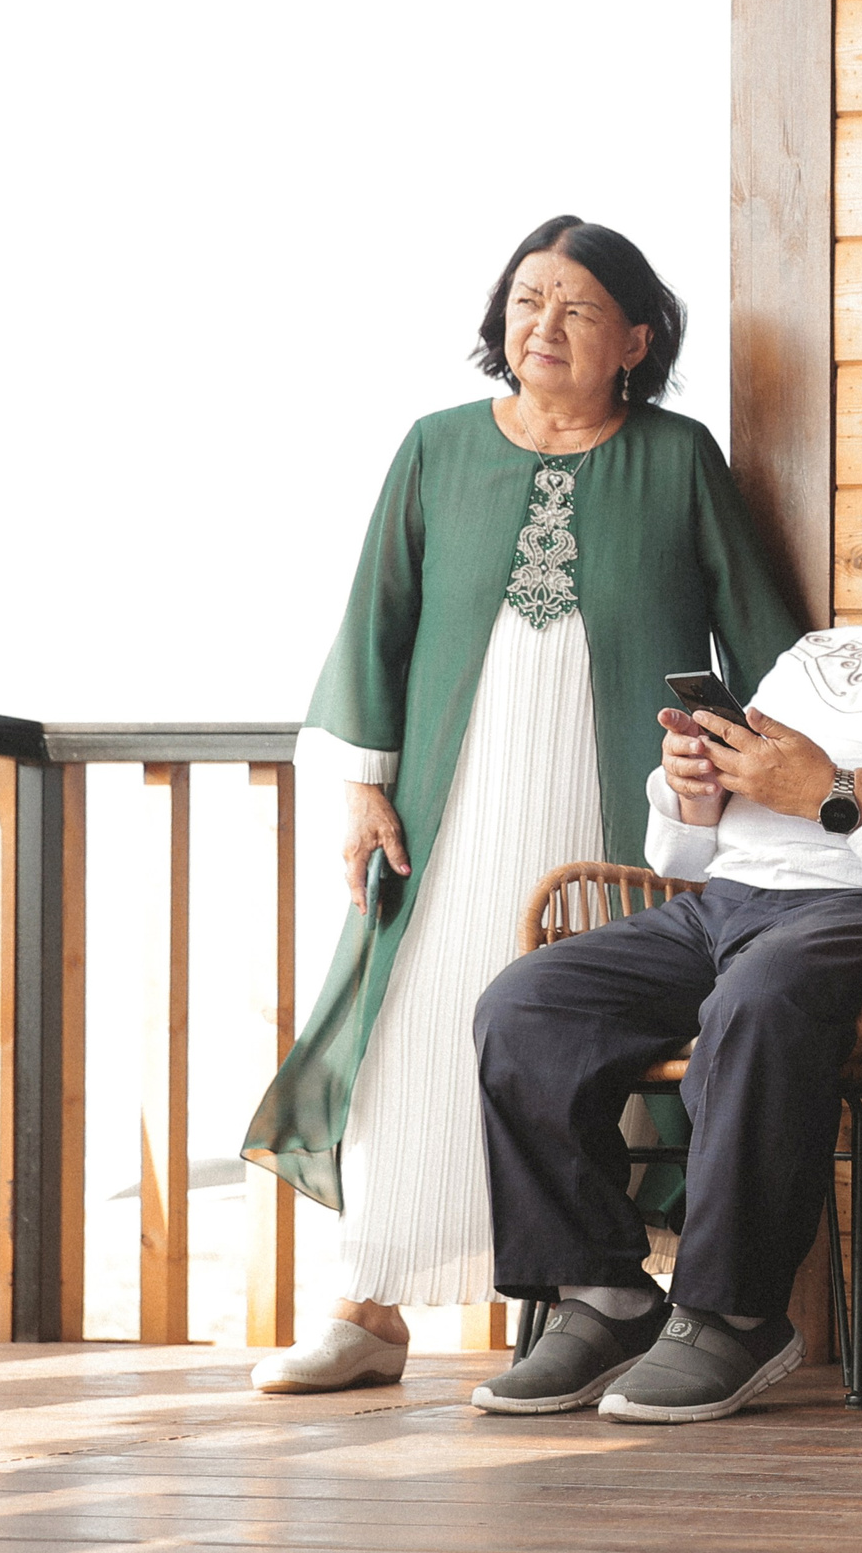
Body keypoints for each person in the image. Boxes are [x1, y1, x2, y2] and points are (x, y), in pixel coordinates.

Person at [243, 217, 801, 1395]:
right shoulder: (436, 448)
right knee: (415, 1023)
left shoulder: (678, 456)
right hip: (451, 793)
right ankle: (367, 1303)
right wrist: (362, 788)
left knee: (570, 1036)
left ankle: (580, 1305)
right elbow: (375, 622)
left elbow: (764, 643)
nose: (542, 325)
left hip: (619, 805)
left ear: (637, 340)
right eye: (527, 299)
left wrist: (784, 777)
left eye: (579, 307)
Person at [466, 438, 862, 1423]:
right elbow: (688, 849)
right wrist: (694, 788)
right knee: (526, 1004)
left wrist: (827, 794)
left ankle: (732, 1315)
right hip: (722, 903)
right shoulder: (817, 653)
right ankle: (603, 1295)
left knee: (760, 1002)